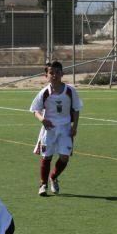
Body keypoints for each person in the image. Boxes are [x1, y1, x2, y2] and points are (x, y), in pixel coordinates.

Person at [30, 60, 83, 196]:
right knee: (46, 157)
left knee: (64, 157)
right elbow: (35, 110)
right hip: (49, 130)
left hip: (65, 128)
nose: (54, 75)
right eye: (51, 73)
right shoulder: (44, 93)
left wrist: (74, 127)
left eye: (57, 72)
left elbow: (76, 109)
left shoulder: (70, 91)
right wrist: (43, 120)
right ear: (46, 75)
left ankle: (53, 177)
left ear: (62, 74)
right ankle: (43, 185)